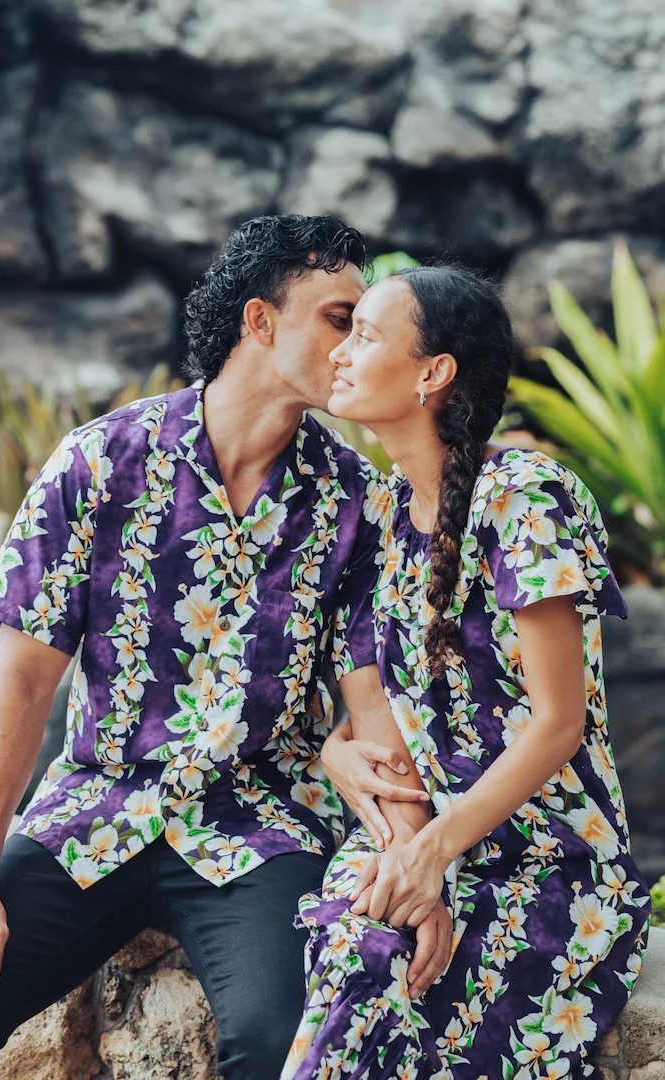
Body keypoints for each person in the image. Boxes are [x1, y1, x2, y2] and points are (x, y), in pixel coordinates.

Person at [0, 215, 448, 1080]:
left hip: (261, 829)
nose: (352, 346)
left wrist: (416, 871)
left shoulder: (357, 503)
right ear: (259, 323)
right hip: (95, 813)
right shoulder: (99, 462)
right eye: (338, 319)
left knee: (287, 1045)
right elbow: (22, 685)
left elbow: (373, 711)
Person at [281, 264, 652, 1080]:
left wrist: (435, 857)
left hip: (555, 867)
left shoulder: (525, 496)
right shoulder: (379, 511)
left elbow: (560, 724)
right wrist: (336, 753)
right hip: (427, 842)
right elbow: (386, 705)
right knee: (357, 948)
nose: (340, 352)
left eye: (367, 334)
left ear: (433, 373)